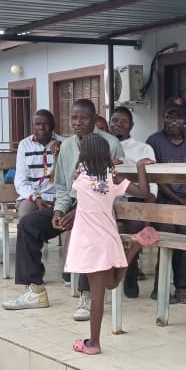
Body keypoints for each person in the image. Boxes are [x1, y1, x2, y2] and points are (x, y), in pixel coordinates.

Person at [2, 99, 124, 316]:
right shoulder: (66, 146)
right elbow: (62, 187)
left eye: (83, 118)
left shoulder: (110, 143)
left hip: (99, 209)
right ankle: (35, 291)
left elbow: (113, 189)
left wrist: (80, 211)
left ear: (94, 119)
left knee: (88, 227)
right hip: (72, 204)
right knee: (29, 224)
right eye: (74, 118)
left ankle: (87, 295)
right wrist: (59, 210)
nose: (77, 122)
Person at [66, 134, 158, 355]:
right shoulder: (113, 179)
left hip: (89, 243)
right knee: (111, 284)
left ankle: (93, 343)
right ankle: (135, 245)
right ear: (107, 155)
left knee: (97, 294)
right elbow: (144, 193)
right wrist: (139, 167)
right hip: (108, 238)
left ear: (83, 155)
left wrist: (96, 163)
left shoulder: (80, 178)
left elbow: (78, 172)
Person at [145, 97, 186, 305]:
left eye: (178, 117)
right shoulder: (154, 141)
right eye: (169, 116)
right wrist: (179, 200)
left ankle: (181, 285)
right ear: (164, 117)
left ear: (185, 119)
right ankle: (159, 287)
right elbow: (157, 179)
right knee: (168, 231)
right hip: (162, 198)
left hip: (185, 198)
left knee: (185, 231)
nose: (173, 122)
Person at [109, 106, 157, 298]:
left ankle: (130, 271)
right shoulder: (104, 147)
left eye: (124, 121)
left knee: (135, 227)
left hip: (134, 197)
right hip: (109, 200)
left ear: (132, 125)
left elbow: (152, 185)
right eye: (115, 120)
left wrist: (148, 210)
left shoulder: (143, 149)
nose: (118, 124)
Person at [14, 109, 63, 219]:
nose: (41, 127)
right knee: (26, 216)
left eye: (46, 124)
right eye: (37, 124)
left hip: (58, 197)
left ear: (53, 126)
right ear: (33, 126)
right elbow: (20, 181)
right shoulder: (24, 145)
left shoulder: (63, 143)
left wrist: (59, 155)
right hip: (32, 197)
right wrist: (36, 198)